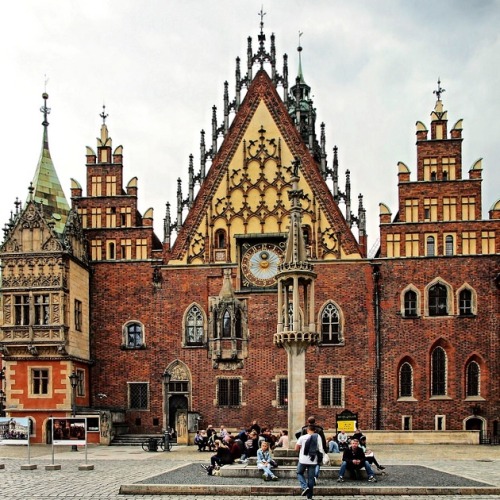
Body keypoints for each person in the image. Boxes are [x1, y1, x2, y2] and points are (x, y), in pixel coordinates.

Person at [295, 425, 325, 500]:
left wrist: (301, 448)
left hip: (303, 460)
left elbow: (296, 448)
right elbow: (321, 449)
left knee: (299, 473)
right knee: (311, 478)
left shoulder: (302, 437)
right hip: (313, 460)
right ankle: (310, 497)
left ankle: (304, 487)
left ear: (307, 430)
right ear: (314, 430)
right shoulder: (318, 437)